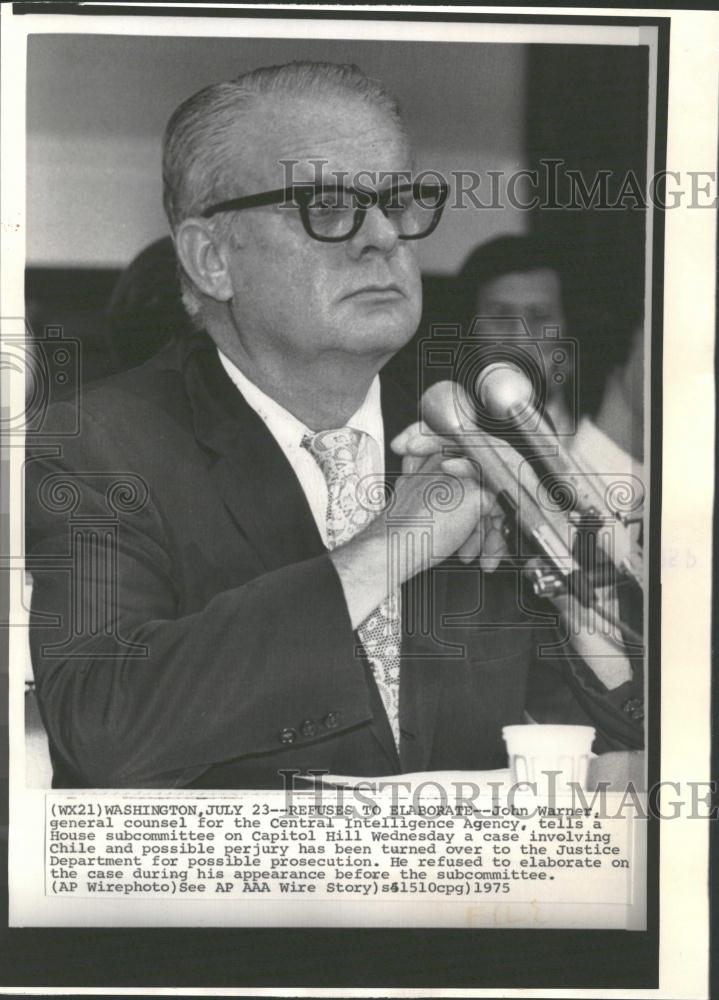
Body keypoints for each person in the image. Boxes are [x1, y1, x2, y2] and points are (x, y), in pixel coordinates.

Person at [26, 62, 643, 790]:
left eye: (399, 200)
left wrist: (581, 596)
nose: (382, 236)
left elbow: (607, 727)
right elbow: (105, 726)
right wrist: (389, 546)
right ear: (211, 258)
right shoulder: (97, 444)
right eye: (327, 205)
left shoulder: (470, 440)